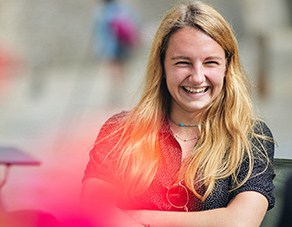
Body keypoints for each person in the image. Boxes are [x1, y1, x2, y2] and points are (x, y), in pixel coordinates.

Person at [81, 1, 275, 226]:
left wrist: (145, 217)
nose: (198, 77)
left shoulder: (250, 137)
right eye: (183, 62)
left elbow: (240, 222)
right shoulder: (120, 131)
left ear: (226, 68)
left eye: (210, 62)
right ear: (162, 66)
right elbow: (94, 210)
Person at [92, 0, 139, 94]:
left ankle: (117, 92)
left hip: (110, 48)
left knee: (113, 71)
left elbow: (99, 32)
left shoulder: (101, 12)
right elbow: (135, 22)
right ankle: (123, 91)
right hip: (123, 46)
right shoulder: (123, 8)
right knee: (122, 70)